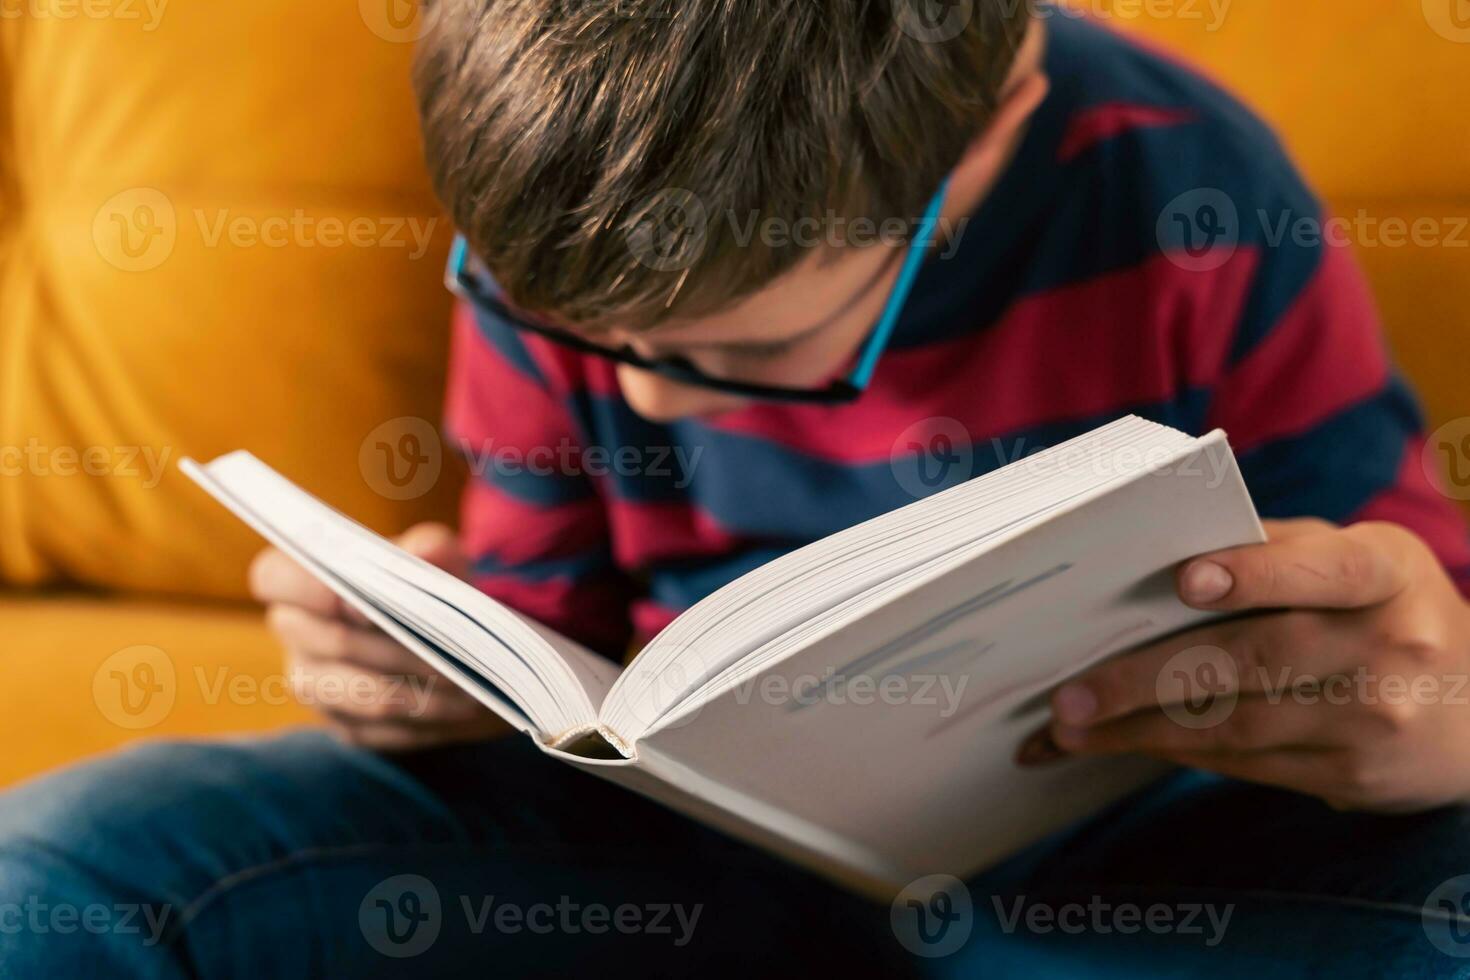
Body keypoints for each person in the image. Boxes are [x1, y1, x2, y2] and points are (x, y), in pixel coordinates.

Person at [4, 2, 1469, 975]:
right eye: (574, 328)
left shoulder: (1185, 187)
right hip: (669, 856)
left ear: (993, 126)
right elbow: (545, 628)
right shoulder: (569, 218)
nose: (639, 393)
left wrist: (1428, 713)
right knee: (71, 864)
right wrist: (410, 665)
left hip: (1127, 867)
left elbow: (1389, 604)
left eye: (750, 351)